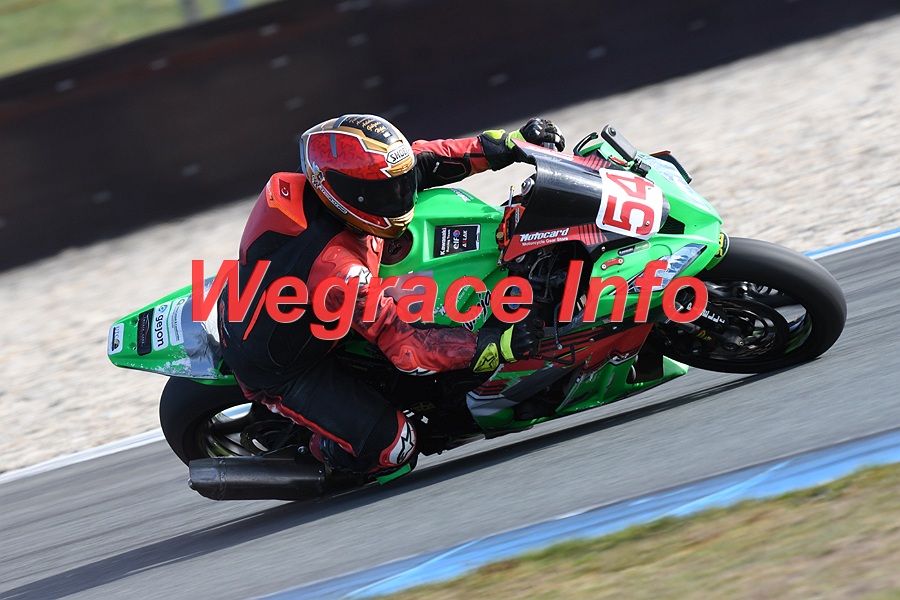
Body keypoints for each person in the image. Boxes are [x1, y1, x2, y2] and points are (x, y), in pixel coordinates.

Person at [218, 114, 564, 477]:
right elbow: (409, 348)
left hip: (295, 302)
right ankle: (316, 455)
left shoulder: (339, 193)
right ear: (346, 194)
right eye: (386, 192)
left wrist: (504, 146)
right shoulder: (335, 267)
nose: (400, 195)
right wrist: (494, 344)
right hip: (286, 367)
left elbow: (421, 162)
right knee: (396, 448)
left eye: (399, 184)